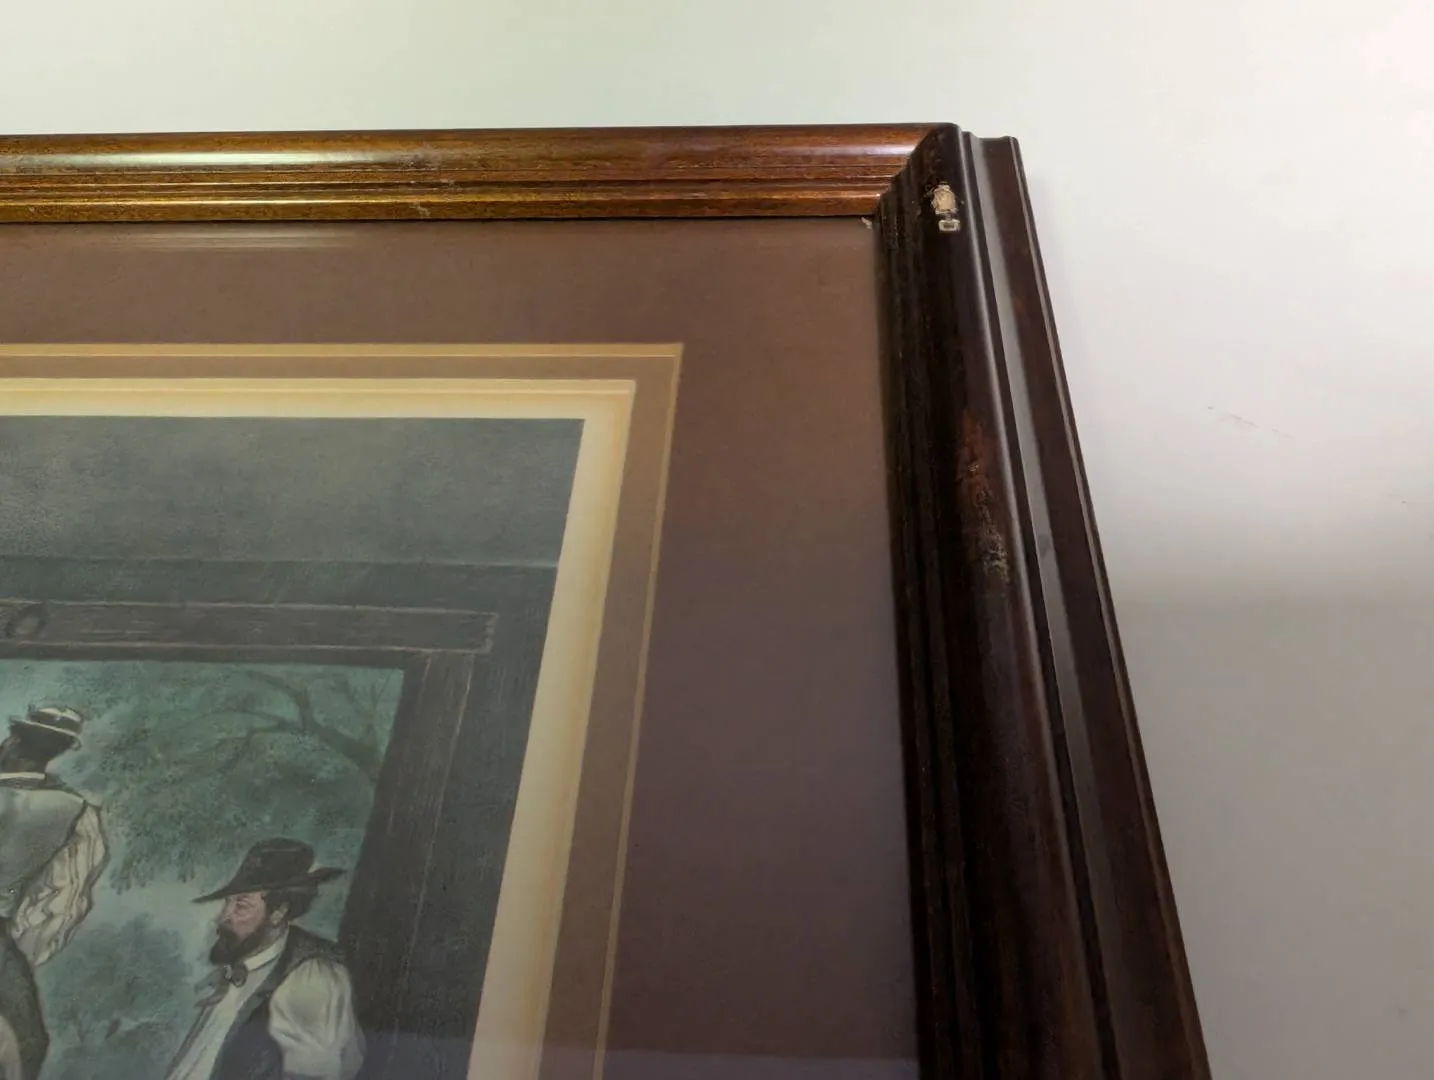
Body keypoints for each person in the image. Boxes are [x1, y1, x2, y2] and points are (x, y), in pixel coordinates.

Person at [164, 837, 363, 1080]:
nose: (222, 917)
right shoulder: (240, 969)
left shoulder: (311, 977)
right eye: (227, 903)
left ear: (278, 912)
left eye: (241, 906)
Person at [0, 705, 108, 1080]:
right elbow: (65, 900)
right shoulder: (75, 809)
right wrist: (21, 944)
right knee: (27, 1044)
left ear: (13, 740)